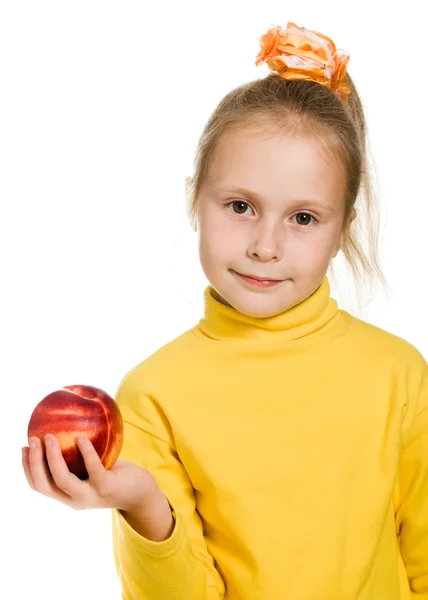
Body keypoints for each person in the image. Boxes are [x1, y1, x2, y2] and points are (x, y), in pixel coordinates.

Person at [22, 21, 428, 600]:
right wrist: (142, 503)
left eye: (304, 218)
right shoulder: (152, 394)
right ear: (195, 200)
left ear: (343, 230)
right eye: (241, 206)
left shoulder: (401, 374)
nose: (266, 245)